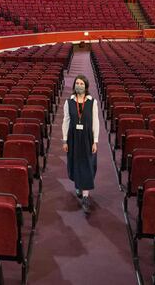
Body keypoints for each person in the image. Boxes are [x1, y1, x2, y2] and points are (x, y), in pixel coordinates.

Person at [62, 74, 100, 215]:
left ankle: (85, 196)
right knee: (75, 162)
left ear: (86, 86)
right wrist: (65, 140)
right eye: (77, 83)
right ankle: (78, 185)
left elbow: (95, 122)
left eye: (81, 84)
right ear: (74, 86)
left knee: (87, 164)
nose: (79, 86)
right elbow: (66, 121)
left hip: (87, 138)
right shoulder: (69, 102)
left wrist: (95, 141)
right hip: (73, 137)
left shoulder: (92, 102)